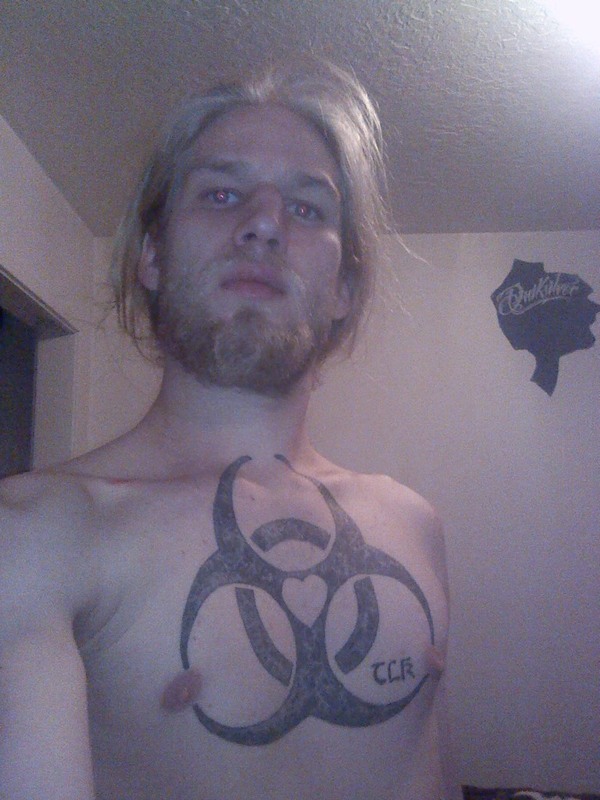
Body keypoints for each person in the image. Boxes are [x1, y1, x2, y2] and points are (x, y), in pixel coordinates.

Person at [0, 61, 452, 800]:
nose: (265, 223)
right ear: (152, 255)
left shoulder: (414, 525)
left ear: (343, 287)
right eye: (221, 194)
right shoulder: (35, 534)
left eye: (306, 207)